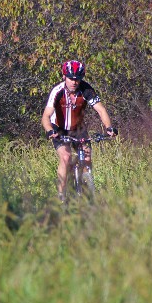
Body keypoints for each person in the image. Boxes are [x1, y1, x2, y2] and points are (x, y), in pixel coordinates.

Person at [41, 60, 117, 201]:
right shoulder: (57, 91)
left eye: (77, 79)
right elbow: (46, 116)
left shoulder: (86, 90)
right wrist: (49, 130)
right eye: (71, 78)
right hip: (59, 129)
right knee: (66, 157)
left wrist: (108, 127)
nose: (74, 82)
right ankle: (61, 197)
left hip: (78, 129)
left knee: (87, 157)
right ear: (64, 76)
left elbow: (101, 109)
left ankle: (88, 192)